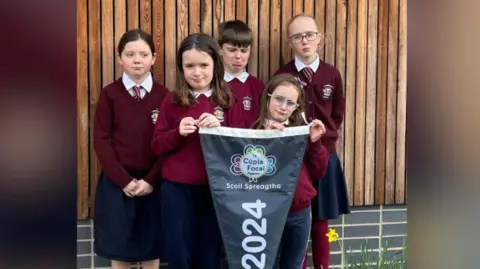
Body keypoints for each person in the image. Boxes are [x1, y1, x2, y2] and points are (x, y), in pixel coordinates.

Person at [151, 33, 245, 269]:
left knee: (211, 250)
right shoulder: (172, 101)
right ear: (181, 68)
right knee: (178, 249)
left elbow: (243, 148)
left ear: (216, 64)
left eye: (204, 65)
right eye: (189, 66)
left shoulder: (227, 100)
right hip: (177, 190)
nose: (197, 72)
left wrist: (220, 129)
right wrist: (176, 133)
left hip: (216, 189)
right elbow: (156, 146)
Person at [274, 14, 351, 269]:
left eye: (309, 35)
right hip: (293, 156)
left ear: (320, 38)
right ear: (290, 42)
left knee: (320, 219)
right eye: (297, 37)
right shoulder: (283, 74)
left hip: (324, 155)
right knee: (297, 216)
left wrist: (325, 138)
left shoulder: (332, 74)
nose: (304, 41)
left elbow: (337, 113)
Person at [93, 28, 168, 269]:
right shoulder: (110, 94)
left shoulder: (164, 96)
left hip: (153, 184)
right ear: (119, 58)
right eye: (130, 54)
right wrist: (123, 180)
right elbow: (101, 141)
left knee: (151, 248)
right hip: (117, 185)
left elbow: (168, 143)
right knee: (120, 248)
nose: (137, 60)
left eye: (144, 54)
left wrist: (151, 180)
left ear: (154, 59)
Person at [251, 73, 329, 269]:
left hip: (299, 210)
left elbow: (319, 171)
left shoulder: (302, 131)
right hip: (265, 212)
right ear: (267, 97)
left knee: (293, 265)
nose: (283, 106)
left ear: (297, 107)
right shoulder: (252, 131)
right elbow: (248, 175)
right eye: (278, 99)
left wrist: (316, 143)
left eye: (290, 103)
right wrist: (264, 140)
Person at [218, 19, 265, 127]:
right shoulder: (211, 83)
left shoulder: (258, 87)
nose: (238, 56)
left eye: (244, 51)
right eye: (232, 50)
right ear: (220, 49)